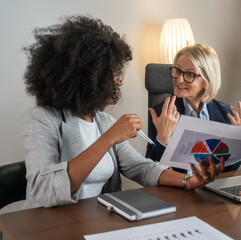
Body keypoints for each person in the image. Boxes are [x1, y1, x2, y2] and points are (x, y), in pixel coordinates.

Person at [22, 16, 224, 209]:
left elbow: (141, 167)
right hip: (49, 225)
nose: (120, 80)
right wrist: (109, 138)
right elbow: (44, 189)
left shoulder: (104, 121)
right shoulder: (41, 119)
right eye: (113, 74)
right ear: (86, 78)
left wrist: (189, 181)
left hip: (97, 221)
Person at [146, 44, 241, 172]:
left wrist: (237, 142)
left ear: (207, 80)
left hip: (211, 188)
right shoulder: (162, 113)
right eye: (177, 71)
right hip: (179, 188)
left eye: (190, 74)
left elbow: (227, 173)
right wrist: (163, 138)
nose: (179, 79)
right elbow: (150, 169)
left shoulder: (225, 114)